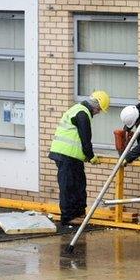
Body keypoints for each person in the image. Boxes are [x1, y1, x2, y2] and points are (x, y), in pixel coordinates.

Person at [49, 90, 110, 226]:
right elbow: (85, 140)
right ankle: (68, 217)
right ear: (95, 106)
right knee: (69, 186)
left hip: (71, 156)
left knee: (78, 185)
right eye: (99, 110)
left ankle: (78, 213)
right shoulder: (82, 114)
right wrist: (91, 156)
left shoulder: (79, 110)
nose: (99, 112)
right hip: (66, 155)